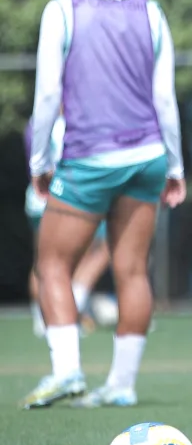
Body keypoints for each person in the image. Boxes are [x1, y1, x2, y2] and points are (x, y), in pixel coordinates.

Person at [22, 0, 186, 409]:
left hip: (90, 157)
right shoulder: (153, 13)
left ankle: (68, 371)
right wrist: (175, 168)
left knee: (52, 263)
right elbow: (165, 100)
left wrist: (40, 161)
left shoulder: (62, 9)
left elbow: (49, 92)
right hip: (148, 158)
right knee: (132, 270)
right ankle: (121, 385)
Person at [24, 115, 111, 337]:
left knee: (45, 261)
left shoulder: (36, 122)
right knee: (71, 259)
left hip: (39, 198)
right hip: (67, 199)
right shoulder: (75, 121)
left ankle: (44, 318)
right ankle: (66, 313)